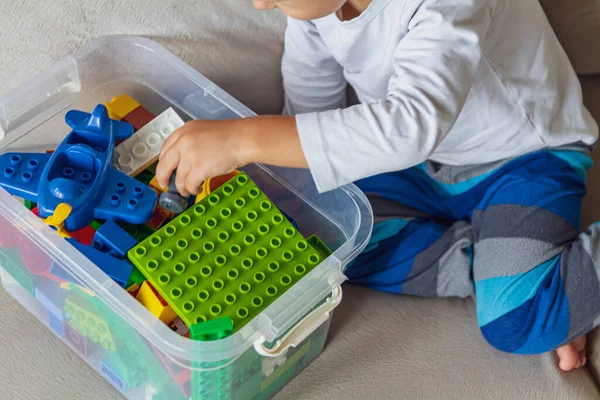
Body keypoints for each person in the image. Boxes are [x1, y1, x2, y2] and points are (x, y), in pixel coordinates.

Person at [155, 0, 600, 372]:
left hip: (522, 159)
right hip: (422, 166)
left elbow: (411, 124)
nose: (261, 4)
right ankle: (501, 264)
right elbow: (311, 113)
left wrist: (242, 138)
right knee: (328, 240)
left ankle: (531, 283)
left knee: (515, 320)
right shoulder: (316, 10)